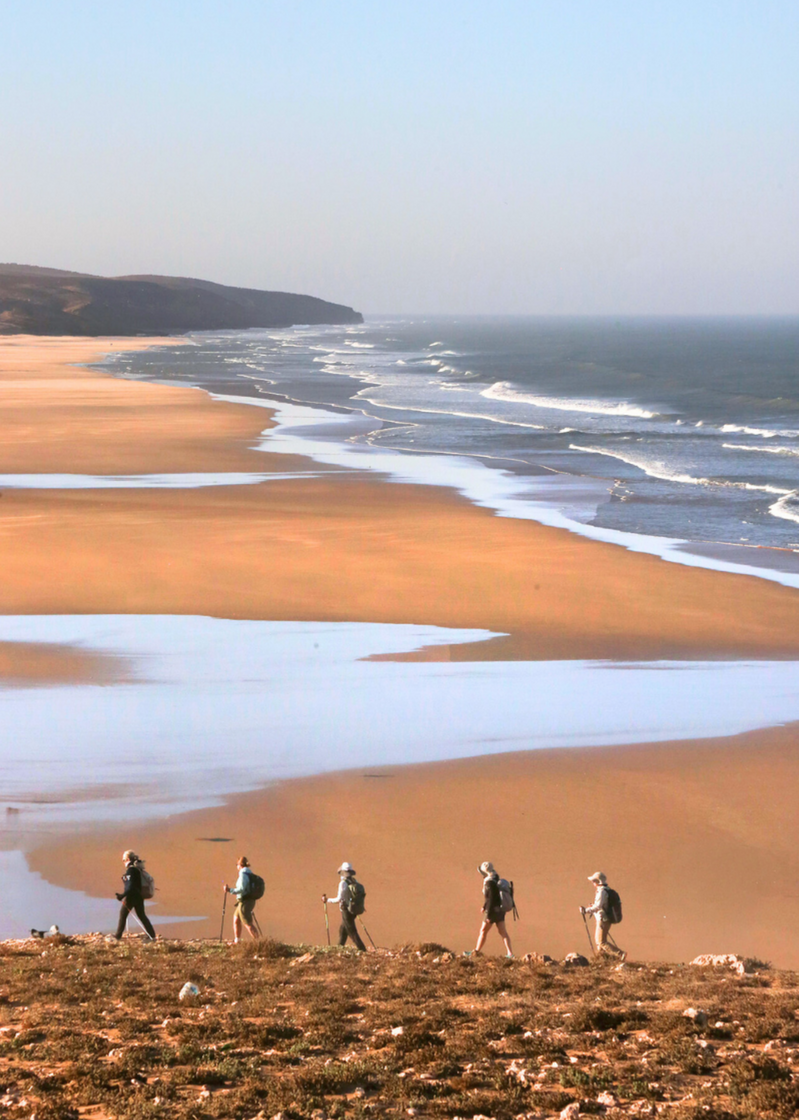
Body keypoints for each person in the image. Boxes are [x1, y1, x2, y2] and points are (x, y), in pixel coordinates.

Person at [580, 871, 626, 960]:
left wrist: (586, 910)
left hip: (603, 919)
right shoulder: (607, 890)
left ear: (598, 881)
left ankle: (620, 954)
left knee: (601, 942)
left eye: (594, 881)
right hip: (605, 919)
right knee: (600, 941)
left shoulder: (602, 892)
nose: (593, 883)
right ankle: (603, 959)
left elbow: (598, 906)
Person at [322, 862, 366, 951]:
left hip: (346, 910)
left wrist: (327, 900)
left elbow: (339, 899)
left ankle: (362, 949)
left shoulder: (343, 883)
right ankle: (339, 946)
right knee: (343, 930)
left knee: (352, 932)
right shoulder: (354, 881)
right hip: (353, 909)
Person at [474, 860, 513, 957]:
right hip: (500, 911)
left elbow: (490, 899)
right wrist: (484, 906)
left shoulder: (489, 883)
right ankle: (510, 953)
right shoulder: (496, 878)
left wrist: (488, 914)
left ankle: (476, 952)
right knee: (503, 932)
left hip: (491, 911)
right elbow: (493, 897)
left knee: (483, 931)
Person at [115, 850, 156, 941]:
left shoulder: (131, 870)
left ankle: (117, 936)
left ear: (128, 859)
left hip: (131, 896)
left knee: (123, 915)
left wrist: (122, 896)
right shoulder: (137, 870)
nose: (123, 862)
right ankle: (152, 936)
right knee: (141, 915)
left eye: (124, 860)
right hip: (139, 896)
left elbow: (131, 887)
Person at [224, 856, 260, 943]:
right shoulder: (249, 874)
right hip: (245, 901)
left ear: (239, 865)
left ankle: (258, 942)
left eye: (237, 864)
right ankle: (237, 940)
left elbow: (241, 889)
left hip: (245, 901)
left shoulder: (243, 875)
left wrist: (230, 890)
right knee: (236, 919)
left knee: (247, 923)